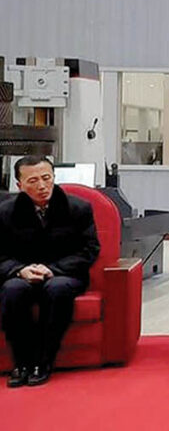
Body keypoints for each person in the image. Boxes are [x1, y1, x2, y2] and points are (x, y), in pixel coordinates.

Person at [0, 155, 100, 387]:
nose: (42, 186)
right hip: (21, 274)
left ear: (54, 177)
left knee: (57, 289)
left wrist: (53, 269)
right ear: (19, 185)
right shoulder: (5, 213)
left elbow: (89, 250)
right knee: (13, 290)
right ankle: (21, 363)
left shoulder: (78, 208)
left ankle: (43, 361)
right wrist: (19, 270)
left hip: (64, 275)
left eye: (46, 178)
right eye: (33, 181)